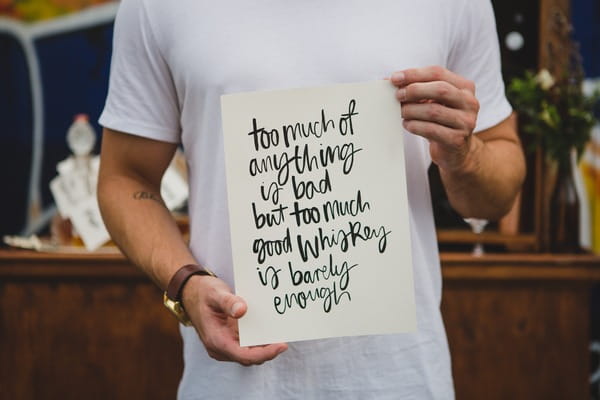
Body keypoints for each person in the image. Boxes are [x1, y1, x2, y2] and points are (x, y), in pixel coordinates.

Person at [97, 0, 525, 398]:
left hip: (402, 379)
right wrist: (184, 283)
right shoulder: (157, 7)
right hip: (232, 385)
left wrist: (464, 154)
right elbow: (124, 178)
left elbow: (496, 195)